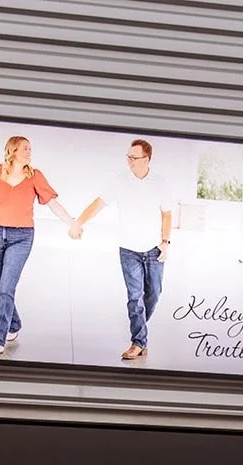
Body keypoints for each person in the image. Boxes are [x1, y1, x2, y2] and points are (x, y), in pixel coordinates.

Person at [69, 138, 174, 361]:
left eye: (134, 157)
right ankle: (138, 341)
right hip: (128, 250)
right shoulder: (119, 180)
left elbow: (167, 214)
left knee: (154, 294)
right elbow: (98, 204)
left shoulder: (160, 183)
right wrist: (79, 222)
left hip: (154, 249)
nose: (129, 161)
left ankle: (140, 329)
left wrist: (166, 242)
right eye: (128, 156)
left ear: (146, 159)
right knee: (135, 297)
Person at [0, 135, 75, 355]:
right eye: (25, 148)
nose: (29, 152)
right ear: (12, 151)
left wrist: (72, 222)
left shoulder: (34, 176)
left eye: (30, 148)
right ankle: (14, 324)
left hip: (22, 237)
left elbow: (53, 204)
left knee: (6, 288)